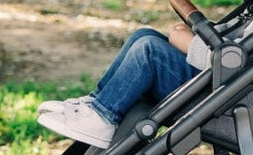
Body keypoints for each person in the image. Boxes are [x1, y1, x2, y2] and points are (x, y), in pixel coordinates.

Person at [37, 22, 202, 148]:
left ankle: (104, 117)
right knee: (143, 34)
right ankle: (97, 102)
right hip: (215, 68)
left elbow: (215, 57)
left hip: (208, 88)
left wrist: (193, 45)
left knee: (149, 49)